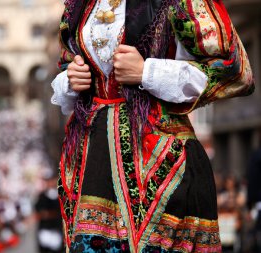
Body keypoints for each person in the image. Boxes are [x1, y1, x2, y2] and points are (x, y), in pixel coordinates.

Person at [50, 0, 254, 252]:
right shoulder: (79, 5)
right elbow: (67, 61)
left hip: (161, 162)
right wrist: (71, 79)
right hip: (91, 158)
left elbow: (234, 71)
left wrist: (147, 72)